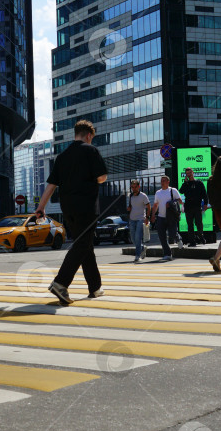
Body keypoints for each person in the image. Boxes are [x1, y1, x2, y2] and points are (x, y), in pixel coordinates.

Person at [34, 120, 108, 305]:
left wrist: (41, 207)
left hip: (67, 208)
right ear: (89, 135)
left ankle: (95, 287)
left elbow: (51, 185)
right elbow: (102, 177)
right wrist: (94, 180)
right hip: (87, 207)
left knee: (85, 244)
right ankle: (60, 283)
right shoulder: (91, 151)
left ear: (75, 133)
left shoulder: (62, 157)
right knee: (82, 245)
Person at [151, 175, 184, 261]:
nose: (162, 182)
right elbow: (155, 205)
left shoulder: (173, 190)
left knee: (172, 234)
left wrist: (171, 202)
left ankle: (178, 238)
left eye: (164, 181)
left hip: (171, 217)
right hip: (161, 217)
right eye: (161, 181)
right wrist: (153, 215)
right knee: (162, 237)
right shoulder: (158, 192)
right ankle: (167, 254)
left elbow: (180, 201)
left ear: (168, 182)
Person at [179, 167, 208, 246]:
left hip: (197, 206)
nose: (189, 175)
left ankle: (201, 236)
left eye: (190, 173)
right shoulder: (186, 184)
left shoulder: (199, 183)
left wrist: (205, 204)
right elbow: (180, 191)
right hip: (188, 207)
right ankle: (192, 241)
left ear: (193, 172)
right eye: (187, 173)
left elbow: (204, 194)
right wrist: (185, 182)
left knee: (199, 224)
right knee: (190, 225)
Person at [126, 180, 150, 263]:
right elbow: (130, 207)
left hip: (141, 219)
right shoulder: (130, 196)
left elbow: (148, 206)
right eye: (132, 187)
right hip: (132, 219)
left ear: (139, 187)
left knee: (137, 237)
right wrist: (128, 209)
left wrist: (147, 217)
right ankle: (142, 247)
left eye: (135, 187)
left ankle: (137, 256)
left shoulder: (143, 196)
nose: (133, 189)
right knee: (133, 239)